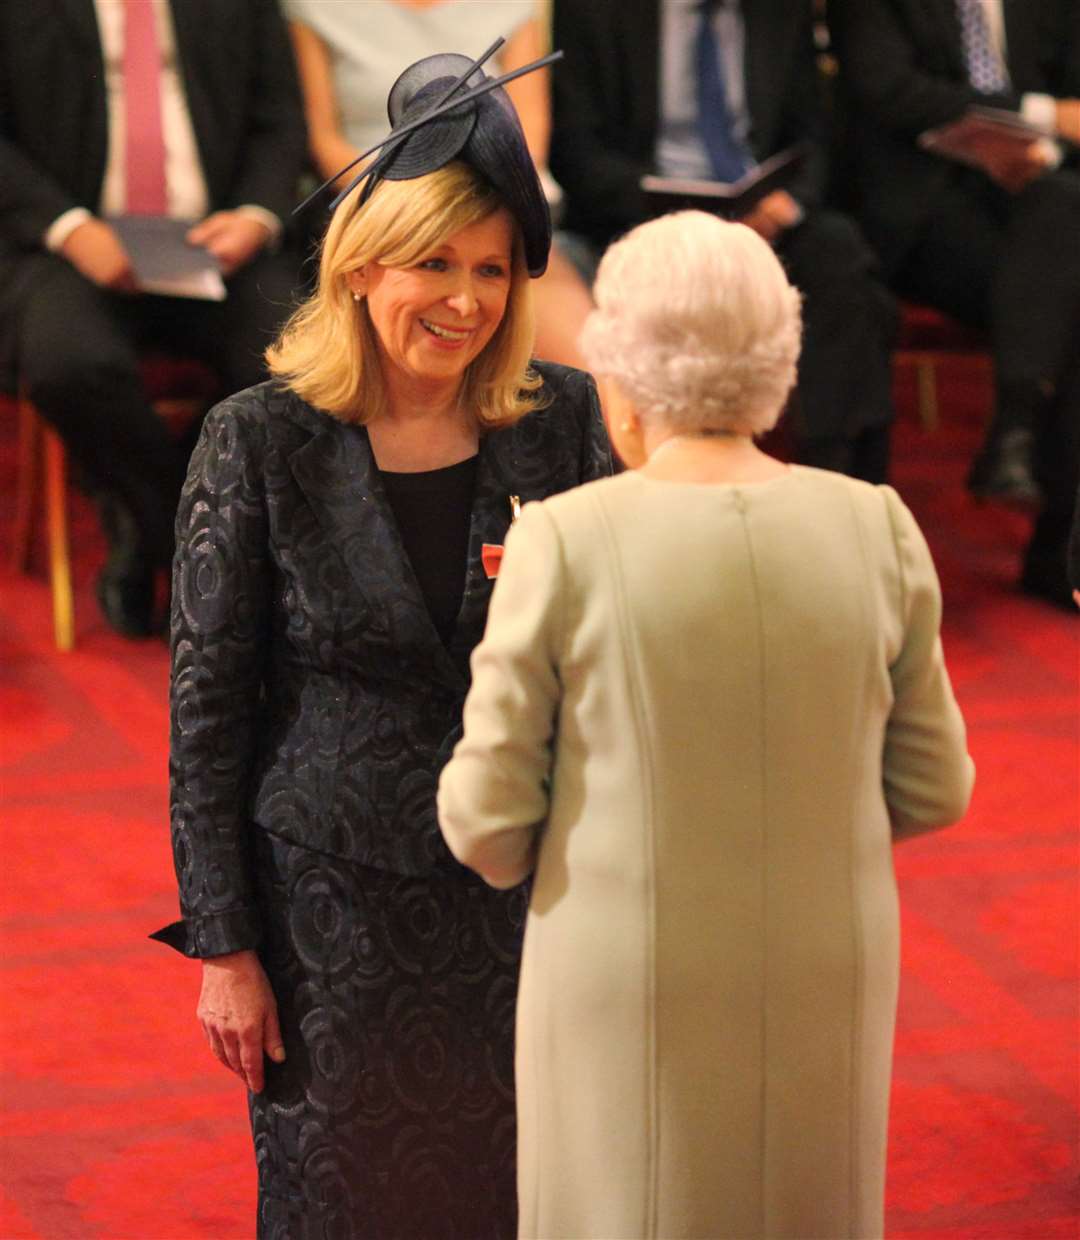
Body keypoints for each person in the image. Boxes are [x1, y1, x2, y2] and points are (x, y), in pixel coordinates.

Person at [438, 211, 975, 1239]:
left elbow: (486, 824)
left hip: (629, 976)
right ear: (779, 366)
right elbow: (933, 788)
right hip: (829, 962)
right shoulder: (876, 524)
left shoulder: (564, 537)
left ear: (620, 382)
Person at [151, 49, 612, 1240]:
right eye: (435, 264)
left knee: (520, 1199)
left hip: (524, 905)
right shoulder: (256, 441)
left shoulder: (560, 422)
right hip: (329, 922)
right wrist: (226, 948)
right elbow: (207, 715)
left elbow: (620, 663)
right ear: (362, 266)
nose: (465, 301)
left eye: (494, 271)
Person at [0, 0, 307, 636]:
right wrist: (69, 228)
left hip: (217, 241)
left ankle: (159, 519)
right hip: (68, 242)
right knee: (68, 362)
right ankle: (188, 536)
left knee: (301, 357)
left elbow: (279, 120)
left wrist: (254, 215)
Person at [549, 0, 899, 482]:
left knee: (841, 254)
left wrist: (789, 202)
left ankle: (831, 472)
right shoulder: (595, 11)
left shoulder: (777, 12)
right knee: (571, 263)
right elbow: (576, 152)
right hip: (633, 218)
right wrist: (677, 210)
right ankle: (628, 477)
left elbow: (814, 135)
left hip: (757, 219)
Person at [828, 0, 1080, 607]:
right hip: (920, 209)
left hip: (1033, 202)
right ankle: (1017, 445)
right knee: (1065, 279)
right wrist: (1037, 118)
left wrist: (1038, 152)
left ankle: (1023, 454)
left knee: (1063, 224)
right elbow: (886, 88)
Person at [284, 0, 595, 368]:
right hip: (375, 204)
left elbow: (529, 135)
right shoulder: (315, 8)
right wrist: (414, 202)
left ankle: (617, 419)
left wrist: (468, 199)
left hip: (495, 199)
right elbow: (325, 140)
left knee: (530, 282)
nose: (462, 303)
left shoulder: (511, 6)